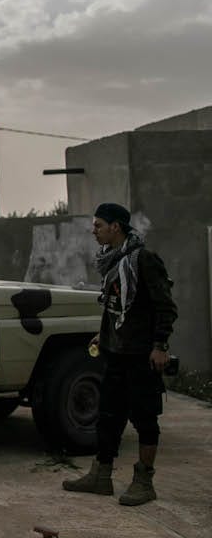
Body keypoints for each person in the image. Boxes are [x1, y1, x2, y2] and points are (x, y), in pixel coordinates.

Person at [62, 202, 177, 506]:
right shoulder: (113, 261)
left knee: (145, 417)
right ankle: (101, 477)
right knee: (108, 416)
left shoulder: (143, 260)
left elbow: (165, 306)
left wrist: (160, 345)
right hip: (116, 352)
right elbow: (114, 307)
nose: (94, 231)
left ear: (116, 227)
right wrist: (104, 333)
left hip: (140, 354)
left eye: (99, 225)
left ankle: (144, 482)